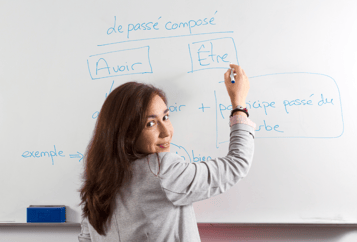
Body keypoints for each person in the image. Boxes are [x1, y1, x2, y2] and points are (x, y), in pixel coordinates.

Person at [78, 64, 255, 242]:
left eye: (165, 117)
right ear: (126, 133)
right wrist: (239, 104)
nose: (166, 132)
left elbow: (86, 238)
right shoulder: (161, 170)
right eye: (150, 124)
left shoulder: (97, 180)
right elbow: (237, 164)